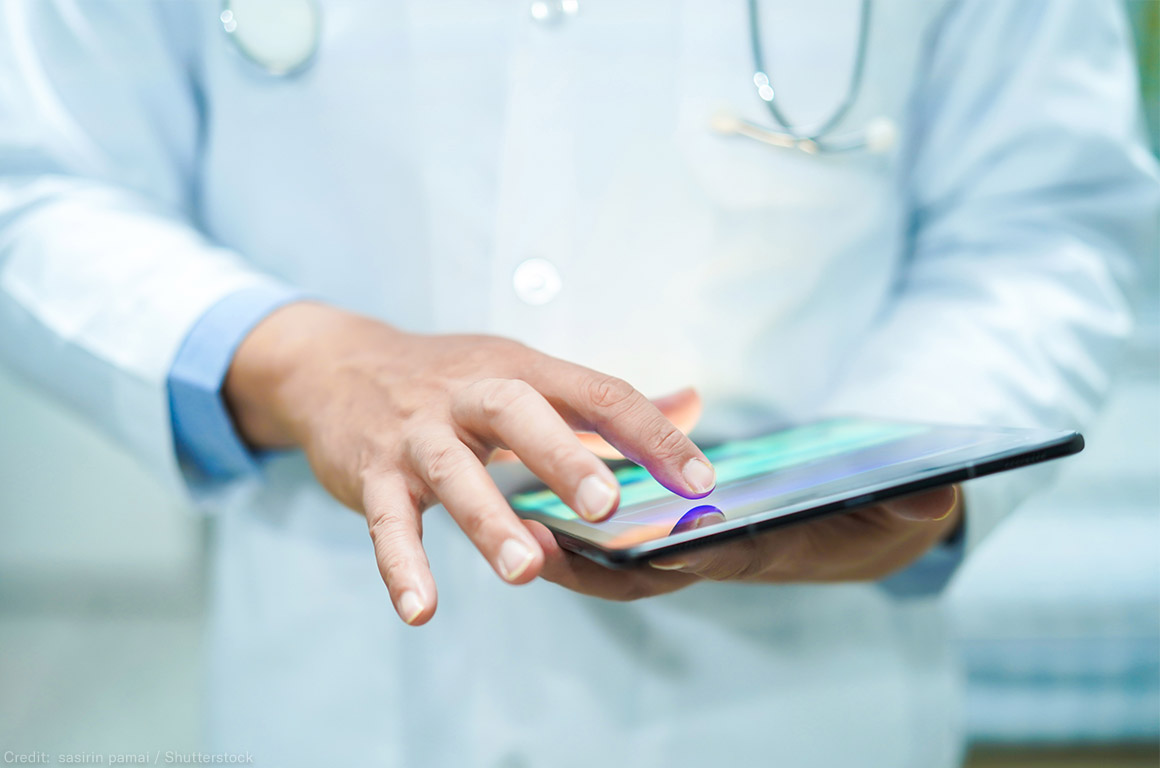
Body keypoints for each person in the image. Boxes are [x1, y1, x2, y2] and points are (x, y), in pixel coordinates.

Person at [0, 1, 1155, 766]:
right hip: (339, 686)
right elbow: (35, 181)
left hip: (796, 698)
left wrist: (898, 469)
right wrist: (311, 362)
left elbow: (1043, 218)